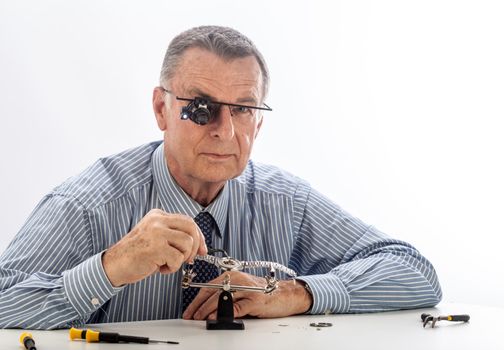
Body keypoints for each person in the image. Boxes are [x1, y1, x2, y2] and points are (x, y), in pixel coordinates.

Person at [0, 25, 442, 330]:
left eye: (243, 110)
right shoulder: (89, 204)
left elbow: (415, 272)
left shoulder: (286, 201)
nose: (225, 131)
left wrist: (296, 293)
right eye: (201, 108)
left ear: (259, 122)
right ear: (161, 109)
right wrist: (111, 267)